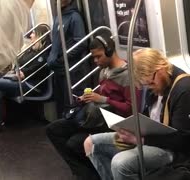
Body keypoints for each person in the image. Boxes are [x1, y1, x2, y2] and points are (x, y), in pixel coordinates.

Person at [84, 48, 190, 180]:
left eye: (150, 83)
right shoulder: (155, 83)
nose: (150, 88)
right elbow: (146, 117)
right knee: (91, 143)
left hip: (169, 148)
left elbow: (183, 140)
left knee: (120, 163)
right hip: (149, 136)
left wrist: (140, 140)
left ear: (160, 69)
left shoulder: (183, 89)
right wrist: (130, 130)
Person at [46, 34, 139, 180]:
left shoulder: (127, 75)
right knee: (53, 129)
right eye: (93, 58)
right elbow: (103, 97)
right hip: (96, 116)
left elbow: (131, 108)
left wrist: (102, 99)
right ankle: (84, 173)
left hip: (112, 122)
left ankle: (88, 175)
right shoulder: (104, 71)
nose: (96, 61)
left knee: (73, 143)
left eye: (99, 56)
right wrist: (89, 98)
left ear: (109, 51)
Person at [0, 25, 51, 134]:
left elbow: (37, 69)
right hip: (20, 80)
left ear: (40, 36)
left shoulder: (44, 54)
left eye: (33, 33)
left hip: (31, 85)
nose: (31, 35)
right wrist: (17, 71)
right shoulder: (31, 50)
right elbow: (19, 62)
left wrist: (23, 72)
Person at [47, 0, 91, 118]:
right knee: (61, 103)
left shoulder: (74, 17)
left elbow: (81, 43)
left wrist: (62, 59)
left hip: (70, 68)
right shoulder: (58, 18)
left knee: (71, 102)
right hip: (57, 69)